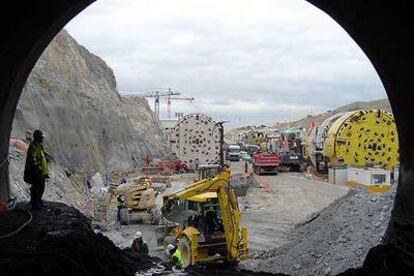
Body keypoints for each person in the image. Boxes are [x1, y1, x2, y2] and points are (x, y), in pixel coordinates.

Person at [24, 129, 49, 210]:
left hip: (41, 171)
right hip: (35, 171)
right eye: (41, 138)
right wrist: (37, 169)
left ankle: (39, 201)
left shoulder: (39, 146)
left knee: (41, 187)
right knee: (36, 188)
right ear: (37, 138)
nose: (42, 139)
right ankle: (35, 204)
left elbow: (41, 156)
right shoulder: (33, 146)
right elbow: (33, 159)